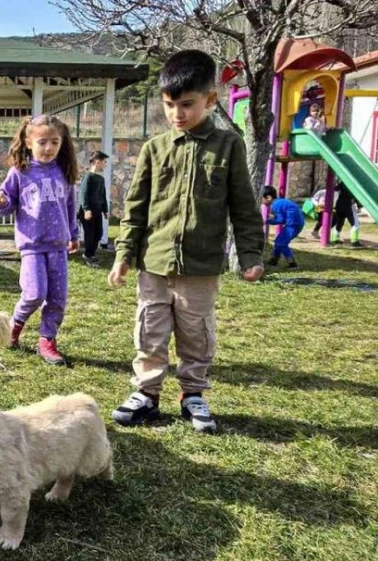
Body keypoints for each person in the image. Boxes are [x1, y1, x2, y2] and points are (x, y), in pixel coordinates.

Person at [107, 50, 265, 434]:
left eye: (187, 105)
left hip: (201, 265)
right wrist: (124, 254)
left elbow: (244, 206)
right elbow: (136, 207)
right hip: (155, 263)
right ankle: (146, 394)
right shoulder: (154, 149)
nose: (177, 113)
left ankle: (193, 393)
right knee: (150, 329)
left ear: (211, 99)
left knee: (196, 332)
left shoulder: (229, 146)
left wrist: (250, 254)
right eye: (169, 105)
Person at [0, 114, 80, 366]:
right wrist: (0, 202)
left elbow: (70, 206)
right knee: (34, 293)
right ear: (29, 142)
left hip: (58, 246)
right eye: (42, 142)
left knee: (57, 297)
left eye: (54, 142)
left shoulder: (64, 171)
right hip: (31, 245)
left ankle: (47, 340)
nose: (49, 148)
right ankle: (13, 327)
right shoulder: (20, 172)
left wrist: (74, 234)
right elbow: (8, 203)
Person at [78, 150, 109, 266]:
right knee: (90, 234)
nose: (105, 164)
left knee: (99, 233)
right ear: (97, 162)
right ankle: (87, 255)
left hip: (97, 211)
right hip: (88, 212)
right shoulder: (88, 177)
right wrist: (86, 209)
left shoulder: (101, 179)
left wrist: (105, 210)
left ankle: (92, 253)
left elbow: (103, 195)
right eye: (104, 162)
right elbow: (83, 194)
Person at [263, 185, 303, 268]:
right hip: (294, 224)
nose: (261, 202)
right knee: (278, 242)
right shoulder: (279, 202)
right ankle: (274, 260)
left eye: (261, 199)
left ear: (268, 197)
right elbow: (283, 218)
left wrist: (267, 221)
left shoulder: (276, 205)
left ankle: (292, 263)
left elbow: (280, 220)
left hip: (293, 226)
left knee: (281, 243)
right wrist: (274, 218)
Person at [332, 181, 362, 247]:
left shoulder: (343, 182)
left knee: (339, 223)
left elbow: (335, 189)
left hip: (339, 204)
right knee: (355, 224)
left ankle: (334, 239)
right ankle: (354, 241)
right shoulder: (354, 183)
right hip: (348, 204)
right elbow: (355, 195)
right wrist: (359, 205)